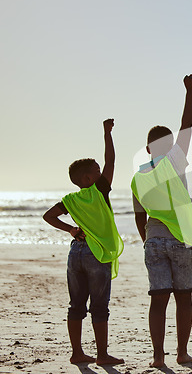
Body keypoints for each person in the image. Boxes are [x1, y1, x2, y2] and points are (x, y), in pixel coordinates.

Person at [43, 119, 124, 366]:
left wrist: (71, 229)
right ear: (89, 177)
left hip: (75, 253)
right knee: (100, 307)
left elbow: (48, 216)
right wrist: (107, 134)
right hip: (96, 254)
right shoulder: (99, 190)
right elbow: (111, 160)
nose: (103, 172)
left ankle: (77, 353)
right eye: (98, 171)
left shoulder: (71, 199)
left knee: (76, 305)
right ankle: (101, 355)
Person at [131, 75, 192, 368]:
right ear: (172, 146)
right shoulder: (175, 161)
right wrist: (190, 91)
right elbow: (187, 126)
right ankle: (182, 353)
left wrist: (147, 238)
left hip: (154, 239)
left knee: (158, 300)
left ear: (147, 149)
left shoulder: (139, 177)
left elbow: (139, 215)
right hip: (182, 237)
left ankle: (158, 357)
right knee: (183, 298)